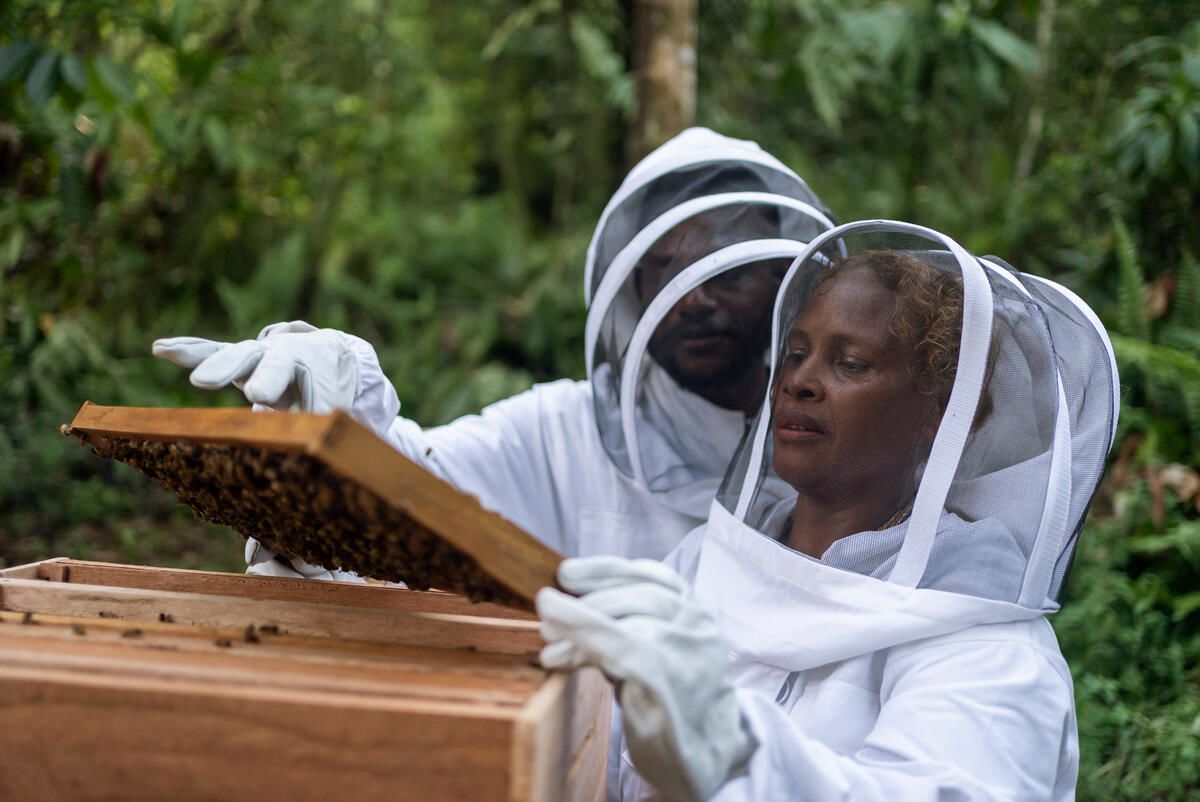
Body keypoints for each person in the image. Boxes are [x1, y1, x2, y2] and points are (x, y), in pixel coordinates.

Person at [537, 221, 1120, 801]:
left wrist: (735, 746)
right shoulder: (702, 563)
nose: (801, 382)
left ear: (940, 416)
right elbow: (598, 766)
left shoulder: (994, 654)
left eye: (851, 363)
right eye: (795, 354)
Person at [152, 128, 835, 578]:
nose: (691, 299)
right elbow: (417, 486)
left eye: (724, 271)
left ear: (784, 276)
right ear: (629, 289)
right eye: (664, 270)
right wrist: (338, 424)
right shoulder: (562, 433)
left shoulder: (851, 447)